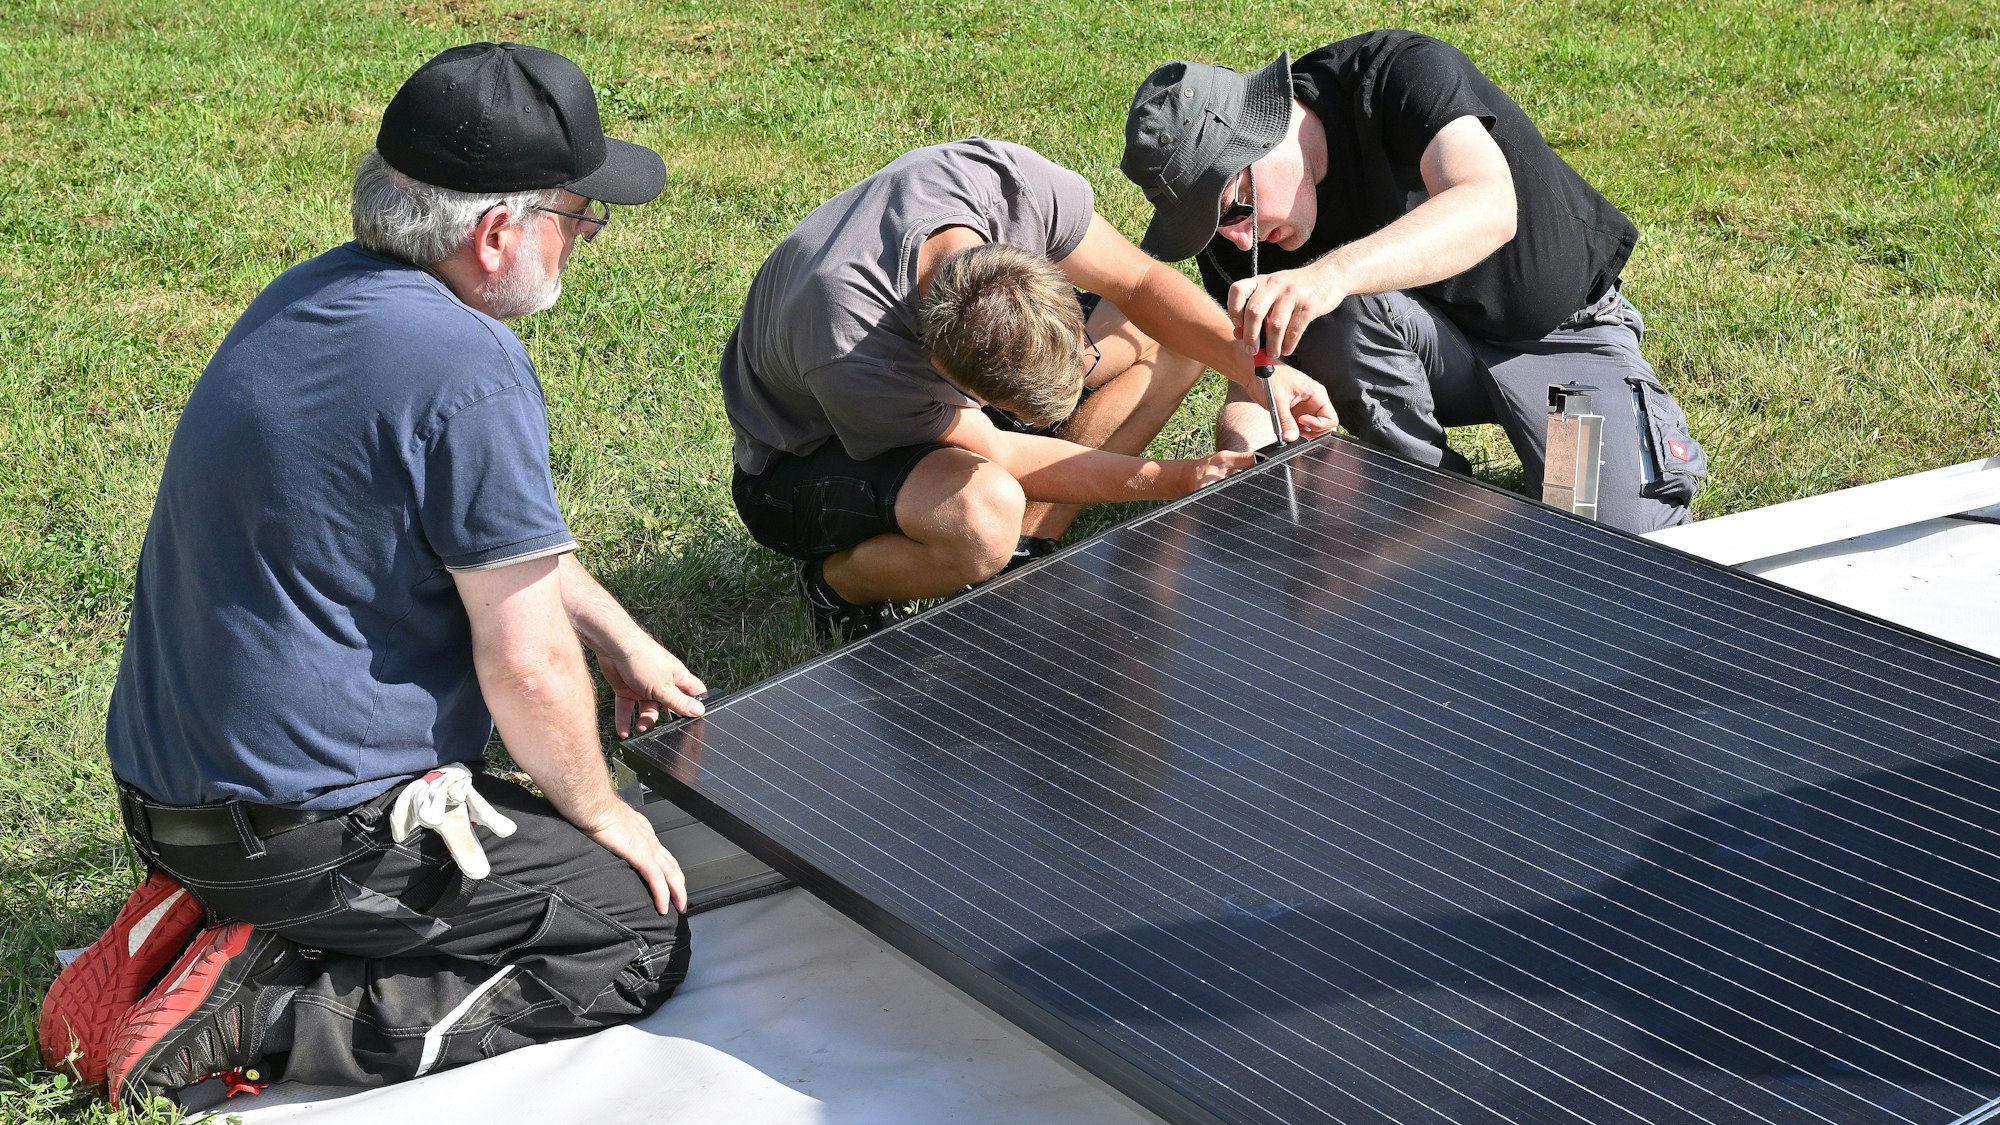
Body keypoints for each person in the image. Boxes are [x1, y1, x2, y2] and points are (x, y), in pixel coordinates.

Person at [39, 43, 707, 1107]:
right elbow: (527, 664)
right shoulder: (466, 367)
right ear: (498, 232)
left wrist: (618, 637)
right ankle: (255, 1012)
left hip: (168, 802)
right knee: (632, 934)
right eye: (577, 218)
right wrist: (603, 815)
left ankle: (213, 922)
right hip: (310, 834)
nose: (582, 243)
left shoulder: (309, 296)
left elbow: (485, 547)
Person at [721, 138, 1337, 641]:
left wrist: (1259, 374)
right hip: (797, 464)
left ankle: (1029, 548)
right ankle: (837, 584)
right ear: (949, 376)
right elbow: (1006, 453)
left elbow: (1144, 283)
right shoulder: (854, 348)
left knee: (1167, 336)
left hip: (922, 371)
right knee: (983, 514)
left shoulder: (1006, 186)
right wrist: (1177, 477)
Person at [1122, 31, 1707, 533]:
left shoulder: (1394, 75)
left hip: (1560, 345)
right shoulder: (1240, 238)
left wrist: (1330, 275)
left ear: (1262, 136)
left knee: (1603, 548)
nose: (1239, 240)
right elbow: (1262, 378)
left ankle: (1565, 478)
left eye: (1232, 209)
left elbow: (1488, 205)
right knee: (1319, 309)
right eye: (1213, 228)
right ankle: (1428, 501)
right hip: (1425, 360)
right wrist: (1248, 460)